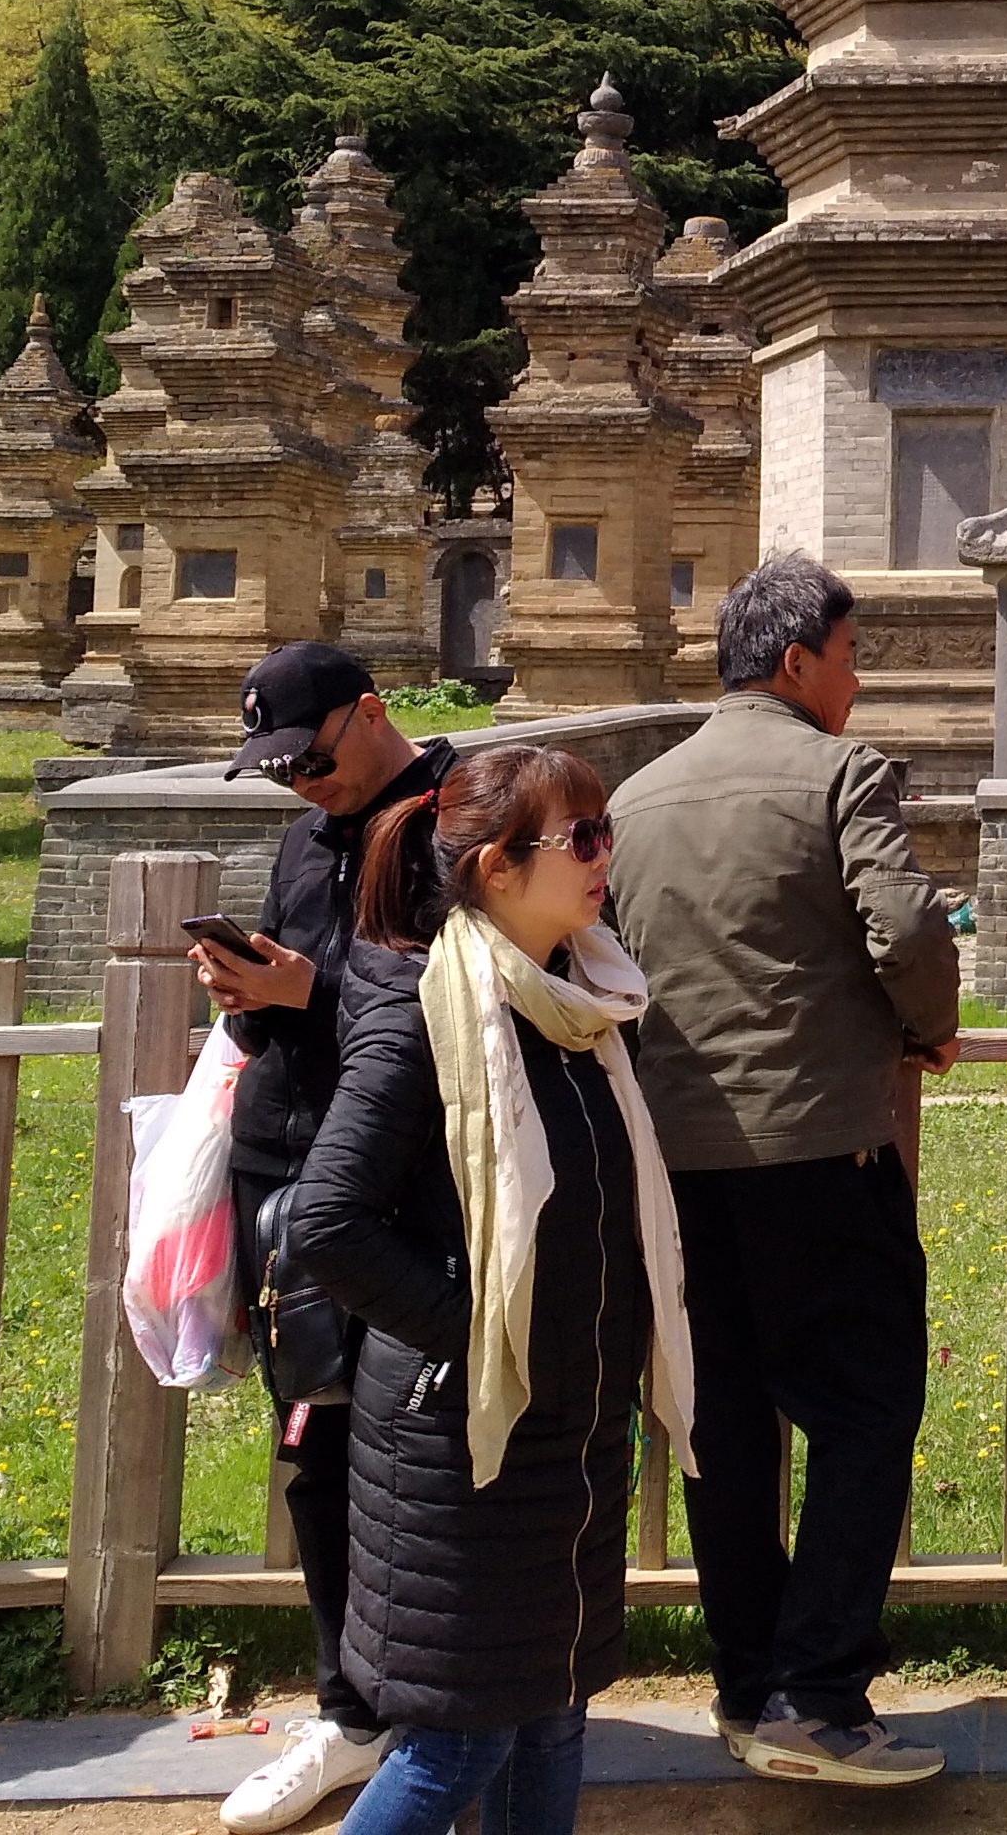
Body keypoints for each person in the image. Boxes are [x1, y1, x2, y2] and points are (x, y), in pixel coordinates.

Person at [605, 555, 961, 1788]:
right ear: (799, 660)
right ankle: (819, 1689)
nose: (858, 685)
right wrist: (923, 1021)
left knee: (727, 1432)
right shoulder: (838, 770)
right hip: (817, 1148)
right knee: (866, 1411)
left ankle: (750, 1681)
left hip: (678, 1165)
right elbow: (908, 928)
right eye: (854, 658)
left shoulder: (638, 795)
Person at [288, 744, 689, 1835]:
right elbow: (328, 1221)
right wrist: (476, 1331)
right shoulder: (427, 1014)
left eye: (607, 831)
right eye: (585, 837)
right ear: (498, 869)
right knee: (463, 1734)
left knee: (554, 1711)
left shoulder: (583, 1004)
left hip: (570, 1427)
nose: (607, 857)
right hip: (463, 1436)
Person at [194, 643, 453, 1834]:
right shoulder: (305, 837)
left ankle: (437, 1694)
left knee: (415, 1449)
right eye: (281, 769)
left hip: (399, 1185)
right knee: (312, 1444)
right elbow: (303, 987)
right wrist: (252, 986)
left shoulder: (451, 821)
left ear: (372, 712)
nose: (305, 784)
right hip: (283, 1166)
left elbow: (462, 1003)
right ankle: (348, 1705)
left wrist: (312, 993)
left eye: (314, 756)